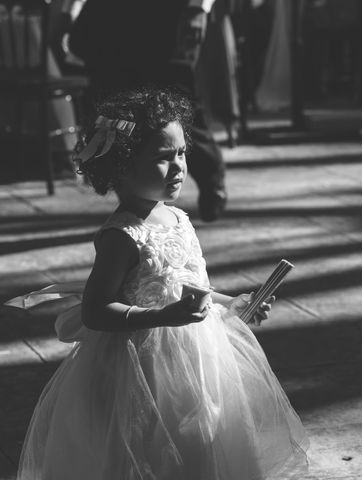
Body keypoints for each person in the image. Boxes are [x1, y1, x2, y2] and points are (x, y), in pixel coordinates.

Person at [12, 88, 309, 479]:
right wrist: (162, 315)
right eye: (162, 158)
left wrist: (229, 302)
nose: (179, 167)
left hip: (200, 357)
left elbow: (189, 283)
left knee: (202, 438)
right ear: (121, 166)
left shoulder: (178, 218)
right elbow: (96, 309)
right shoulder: (123, 235)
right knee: (146, 447)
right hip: (140, 364)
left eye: (182, 153)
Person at [57, 0, 227, 221]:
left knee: (176, 105)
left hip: (166, 13)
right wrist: (69, 9)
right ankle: (132, 203)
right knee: (116, 111)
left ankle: (211, 180)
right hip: (108, 15)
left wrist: (199, 7)